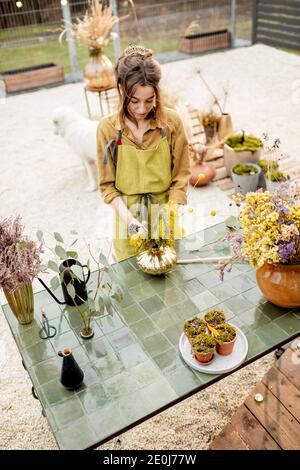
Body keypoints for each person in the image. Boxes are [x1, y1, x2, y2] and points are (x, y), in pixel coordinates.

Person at [97, 45, 190, 261]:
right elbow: (107, 186)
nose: (141, 109)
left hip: (165, 212)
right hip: (127, 218)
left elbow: (181, 176)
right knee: (132, 283)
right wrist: (131, 222)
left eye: (149, 100)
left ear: (157, 92)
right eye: (134, 101)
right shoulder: (107, 128)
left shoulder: (172, 123)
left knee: (170, 278)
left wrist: (169, 214)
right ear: (121, 91)